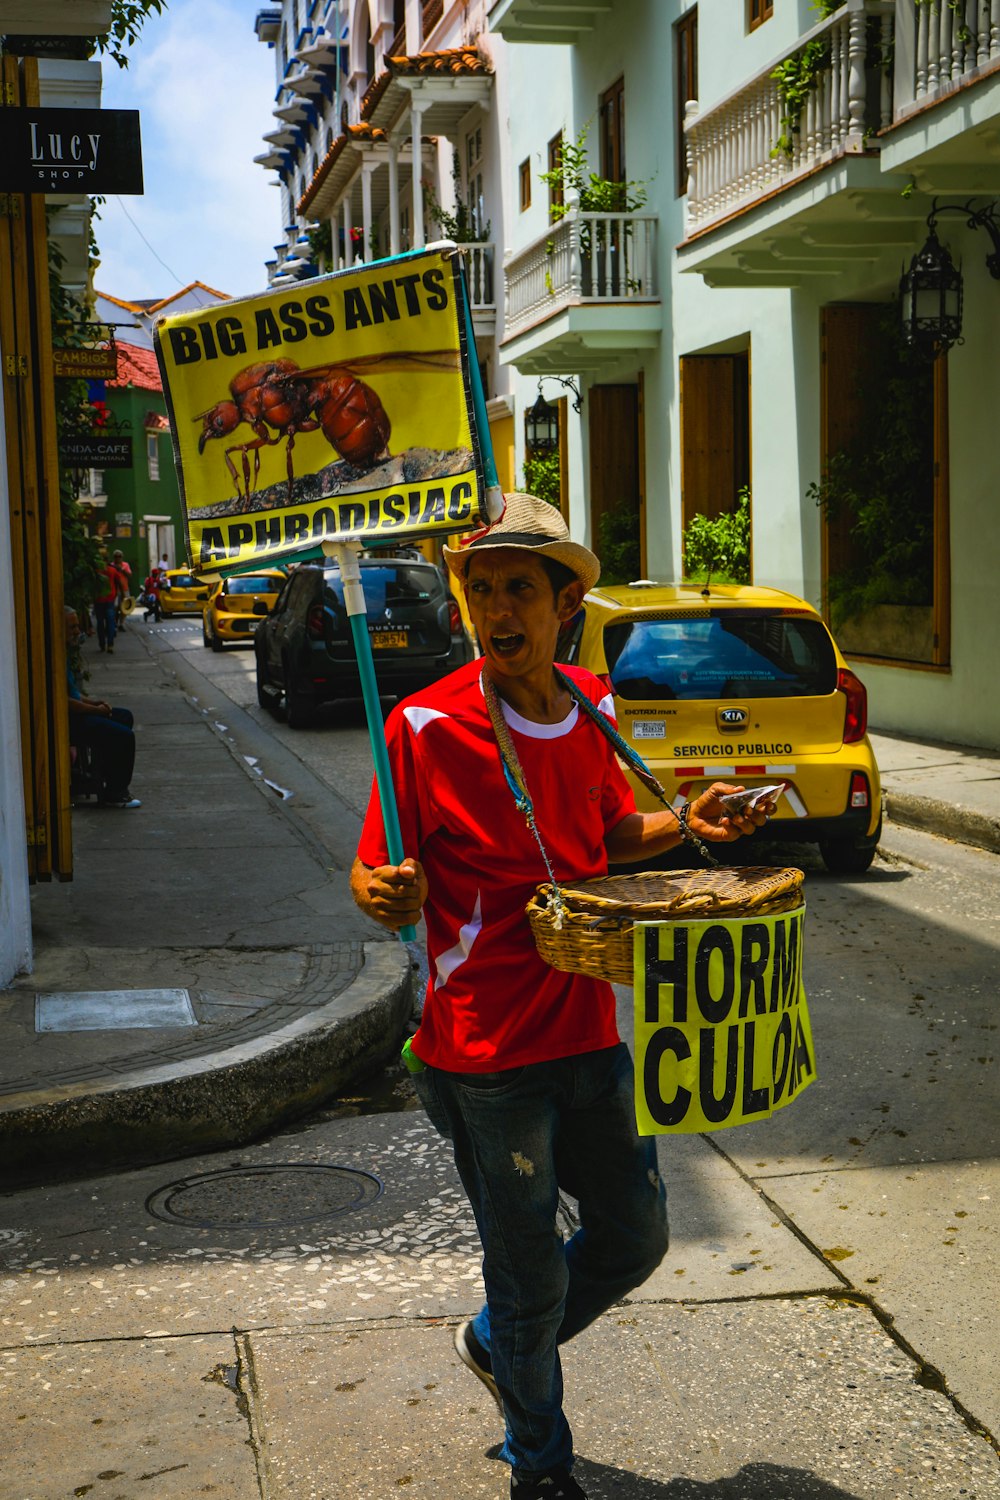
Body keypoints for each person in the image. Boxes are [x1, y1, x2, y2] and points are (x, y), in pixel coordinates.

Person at [350, 494, 773, 1500]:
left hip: (588, 1027)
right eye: (481, 588)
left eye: (519, 589)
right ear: (465, 604)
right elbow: (376, 881)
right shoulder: (421, 726)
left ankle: (500, 1345)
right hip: (485, 1050)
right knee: (531, 1270)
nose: (498, 609)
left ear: (565, 602)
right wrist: (386, 894)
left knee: (636, 1236)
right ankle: (539, 1458)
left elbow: (605, 839)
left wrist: (691, 822)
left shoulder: (591, 702)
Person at [65, 607, 141, 809]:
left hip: (77, 713)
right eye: (72, 627)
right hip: (69, 720)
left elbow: (74, 694)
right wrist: (94, 710)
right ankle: (116, 792)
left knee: (124, 716)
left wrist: (94, 703)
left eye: (77, 626)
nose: (76, 632)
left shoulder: (64, 655)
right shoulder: (54, 659)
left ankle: (102, 771)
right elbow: (64, 702)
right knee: (124, 736)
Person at [93, 551, 126, 653]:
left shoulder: (96, 571)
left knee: (100, 623)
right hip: (110, 600)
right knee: (110, 622)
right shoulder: (112, 570)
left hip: (98, 600)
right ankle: (110, 644)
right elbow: (120, 583)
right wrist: (123, 595)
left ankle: (102, 644)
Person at [112, 550, 133, 629]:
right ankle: (115, 622)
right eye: (116, 557)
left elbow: (130, 576)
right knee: (115, 606)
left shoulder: (125, 565)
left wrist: (123, 570)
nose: (118, 558)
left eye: (119, 556)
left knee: (125, 607)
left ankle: (121, 623)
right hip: (115, 589)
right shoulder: (111, 566)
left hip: (124, 588)